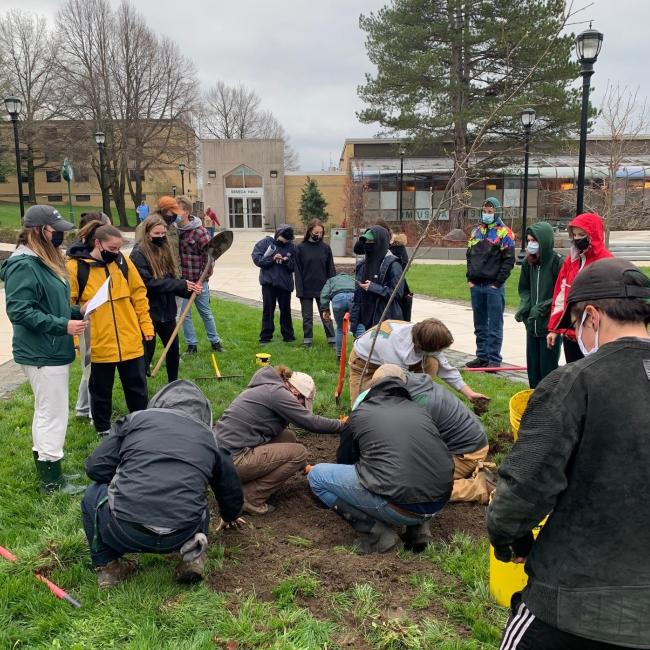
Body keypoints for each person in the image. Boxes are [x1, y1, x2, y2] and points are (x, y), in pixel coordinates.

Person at [487, 258, 650, 650]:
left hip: (572, 605)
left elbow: (523, 491)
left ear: (591, 317)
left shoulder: (573, 383)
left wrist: (511, 539)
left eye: (574, 323)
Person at [81, 380, 244, 588]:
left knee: (91, 495)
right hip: (181, 533)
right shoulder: (211, 439)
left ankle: (108, 567)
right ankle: (192, 558)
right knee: (199, 497)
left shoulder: (135, 421)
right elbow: (229, 490)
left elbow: (96, 469)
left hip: (123, 530)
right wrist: (230, 516)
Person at [308, 376, 453, 554]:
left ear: (368, 395)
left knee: (317, 476)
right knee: (416, 465)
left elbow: (345, 461)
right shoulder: (420, 411)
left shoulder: (360, 413)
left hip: (400, 506)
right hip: (439, 501)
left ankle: (379, 536)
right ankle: (418, 531)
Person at [0, 205, 87, 494]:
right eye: (56, 229)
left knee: (47, 410)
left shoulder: (41, 259)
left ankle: (49, 466)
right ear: (39, 230)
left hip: (49, 347)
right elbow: (20, 311)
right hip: (42, 351)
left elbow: (48, 303)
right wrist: (62, 325)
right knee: (53, 413)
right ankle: (51, 480)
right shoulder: (25, 264)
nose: (60, 234)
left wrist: (75, 311)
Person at [354, 365, 494, 504]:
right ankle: (473, 470)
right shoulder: (411, 381)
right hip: (467, 440)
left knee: (413, 488)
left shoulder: (420, 403)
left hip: (466, 453)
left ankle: (477, 487)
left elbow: (412, 445)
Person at [214, 365, 343, 515]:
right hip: (232, 462)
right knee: (299, 452)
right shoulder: (278, 394)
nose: (301, 406)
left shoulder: (270, 387)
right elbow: (311, 423)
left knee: (288, 437)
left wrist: (305, 467)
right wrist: (342, 426)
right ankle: (250, 497)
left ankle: (240, 485)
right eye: (302, 402)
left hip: (222, 458)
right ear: (296, 392)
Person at [67, 222, 154, 437]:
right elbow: (66, 305)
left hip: (130, 340)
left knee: (137, 388)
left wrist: (146, 326)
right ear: (98, 243)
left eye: (119, 249)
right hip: (98, 343)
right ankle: (102, 429)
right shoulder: (75, 268)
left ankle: (141, 425)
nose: (116, 253)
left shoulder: (123, 262)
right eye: (112, 248)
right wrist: (78, 340)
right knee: (100, 391)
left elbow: (139, 294)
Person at [348, 318, 488, 405]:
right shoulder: (395, 347)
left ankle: (420, 400)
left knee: (433, 363)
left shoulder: (423, 334)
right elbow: (396, 381)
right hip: (364, 364)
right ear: (422, 347)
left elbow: (446, 368)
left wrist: (468, 393)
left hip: (398, 359)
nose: (439, 352)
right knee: (363, 406)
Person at [130, 216, 202, 382]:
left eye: (163, 233)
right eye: (157, 233)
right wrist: (180, 285)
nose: (161, 236)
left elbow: (170, 280)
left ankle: (173, 383)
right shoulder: (138, 254)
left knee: (173, 350)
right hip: (148, 311)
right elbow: (149, 284)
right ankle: (141, 385)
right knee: (146, 351)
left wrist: (189, 291)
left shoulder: (165, 249)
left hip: (167, 310)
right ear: (147, 234)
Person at [546, 212, 613, 364]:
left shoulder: (606, 262)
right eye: (574, 235)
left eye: (581, 234)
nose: (577, 238)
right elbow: (561, 295)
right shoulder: (571, 261)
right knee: (575, 378)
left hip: (595, 336)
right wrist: (554, 328)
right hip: (571, 334)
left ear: (593, 234)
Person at [68, 211, 111, 420]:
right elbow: (69, 300)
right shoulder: (76, 264)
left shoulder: (103, 259)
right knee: (93, 369)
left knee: (91, 369)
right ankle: (94, 413)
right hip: (88, 323)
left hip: (103, 321)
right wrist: (82, 309)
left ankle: (83, 409)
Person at [465, 197, 516, 368]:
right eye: (484, 211)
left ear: (497, 212)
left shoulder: (504, 233)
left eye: (490, 211)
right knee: (479, 324)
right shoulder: (476, 232)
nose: (486, 214)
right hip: (476, 285)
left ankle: (494, 359)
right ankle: (482, 356)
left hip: (493, 286)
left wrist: (497, 282)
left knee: (494, 324)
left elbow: (509, 260)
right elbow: (469, 255)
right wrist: (469, 278)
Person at [515, 222, 564, 388]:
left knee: (548, 371)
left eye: (534, 241)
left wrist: (542, 307)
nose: (531, 245)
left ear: (544, 241)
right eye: (528, 241)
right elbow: (525, 289)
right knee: (533, 370)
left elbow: (562, 295)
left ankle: (548, 406)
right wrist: (525, 307)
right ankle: (533, 402)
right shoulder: (528, 263)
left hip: (550, 327)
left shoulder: (558, 263)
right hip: (532, 325)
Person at [176, 195, 224, 353]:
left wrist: (203, 279)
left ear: (186, 211)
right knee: (185, 316)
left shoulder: (200, 232)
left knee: (206, 313)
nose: (174, 212)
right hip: (183, 282)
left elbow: (210, 258)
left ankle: (215, 342)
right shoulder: (174, 232)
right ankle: (192, 345)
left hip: (200, 281)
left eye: (178, 209)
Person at [349, 226, 404, 336]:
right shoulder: (363, 265)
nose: (368, 244)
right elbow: (357, 295)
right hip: (362, 319)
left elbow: (397, 293)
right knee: (362, 351)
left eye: (371, 241)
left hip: (383, 320)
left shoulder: (393, 265)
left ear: (380, 242)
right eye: (366, 241)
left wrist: (373, 287)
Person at [251, 224, 297, 344]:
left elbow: (295, 266)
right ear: (278, 235)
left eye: (287, 241)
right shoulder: (265, 243)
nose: (284, 243)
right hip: (269, 283)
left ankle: (288, 336)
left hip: (285, 284)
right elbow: (257, 260)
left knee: (286, 311)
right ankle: (265, 337)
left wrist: (286, 261)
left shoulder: (292, 247)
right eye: (282, 240)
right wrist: (272, 259)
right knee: (268, 310)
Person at [295, 219, 336, 348]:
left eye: (321, 232)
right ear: (310, 231)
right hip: (306, 289)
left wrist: (332, 288)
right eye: (316, 232)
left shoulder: (326, 248)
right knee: (307, 317)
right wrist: (300, 290)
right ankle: (307, 340)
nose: (318, 234)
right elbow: (297, 271)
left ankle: (332, 340)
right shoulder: (300, 248)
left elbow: (331, 270)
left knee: (326, 315)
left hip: (323, 289)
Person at [135, 196, 181, 269]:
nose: (174, 215)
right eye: (172, 212)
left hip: (173, 274)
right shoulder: (145, 227)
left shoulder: (172, 228)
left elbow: (176, 255)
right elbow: (139, 252)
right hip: (156, 273)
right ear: (163, 211)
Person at [320, 271, 356, 360]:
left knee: (340, 328)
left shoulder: (331, 280)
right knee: (358, 326)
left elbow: (324, 294)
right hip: (353, 297)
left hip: (338, 299)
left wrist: (325, 309)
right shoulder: (352, 278)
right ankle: (360, 354)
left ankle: (340, 355)